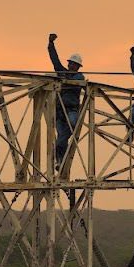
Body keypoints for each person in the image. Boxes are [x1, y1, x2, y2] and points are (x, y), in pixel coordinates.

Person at [47, 33, 85, 167]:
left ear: (78, 67)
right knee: (61, 137)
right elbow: (55, 60)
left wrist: (62, 81)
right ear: (68, 64)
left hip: (71, 110)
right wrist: (51, 44)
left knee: (72, 126)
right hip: (59, 111)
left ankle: (60, 157)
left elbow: (73, 81)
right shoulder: (62, 72)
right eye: (71, 64)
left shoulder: (80, 77)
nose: (72, 66)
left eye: (75, 65)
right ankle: (60, 161)